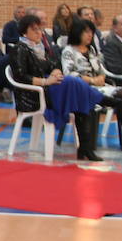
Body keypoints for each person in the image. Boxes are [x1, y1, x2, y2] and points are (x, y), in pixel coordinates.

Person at [9, 14, 108, 161]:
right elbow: (20, 76)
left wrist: (56, 71)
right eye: (35, 30)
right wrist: (45, 82)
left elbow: (54, 65)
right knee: (73, 83)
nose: (39, 33)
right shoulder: (19, 48)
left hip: (50, 90)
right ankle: (104, 99)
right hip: (33, 95)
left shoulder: (40, 48)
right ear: (24, 32)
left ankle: (85, 149)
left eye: (40, 29)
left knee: (81, 100)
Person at [59, 20, 122, 153]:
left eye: (91, 32)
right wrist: (92, 80)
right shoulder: (68, 51)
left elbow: (101, 69)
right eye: (86, 32)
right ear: (77, 33)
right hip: (84, 89)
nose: (90, 35)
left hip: (100, 85)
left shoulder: (92, 50)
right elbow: (69, 74)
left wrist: (101, 77)